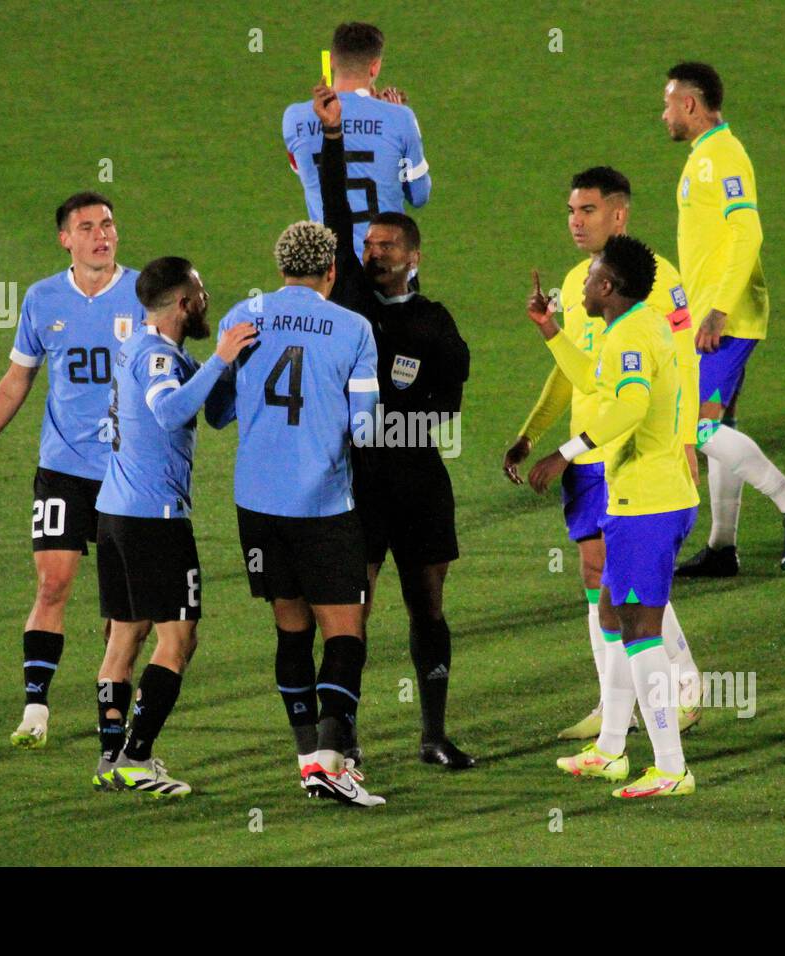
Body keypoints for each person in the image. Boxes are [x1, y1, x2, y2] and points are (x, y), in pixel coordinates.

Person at [504, 167, 701, 743]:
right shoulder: (578, 283)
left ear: (619, 214)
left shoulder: (657, 280)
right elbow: (581, 374)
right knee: (602, 579)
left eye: (587, 210)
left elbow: (683, 365)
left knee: (629, 581)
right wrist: (532, 433)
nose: (575, 221)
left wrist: (687, 440)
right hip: (588, 453)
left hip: (631, 452)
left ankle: (682, 686)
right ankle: (613, 708)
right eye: (570, 210)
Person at [313, 82, 475, 769]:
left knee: (427, 605)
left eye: (385, 245)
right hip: (356, 484)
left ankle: (433, 734)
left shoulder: (435, 323)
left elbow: (449, 407)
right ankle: (341, 737)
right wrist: (333, 138)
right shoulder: (351, 299)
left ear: (412, 255)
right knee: (352, 608)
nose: (373, 253)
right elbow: (333, 210)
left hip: (418, 483)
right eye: (369, 245)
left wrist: (394, 422)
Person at [0, 192, 143, 749]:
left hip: (127, 472)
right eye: (87, 227)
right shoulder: (42, 299)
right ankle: (36, 707)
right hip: (62, 468)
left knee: (122, 603)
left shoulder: (143, 294)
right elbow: (18, 379)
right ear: (65, 239)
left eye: (107, 224)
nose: (101, 235)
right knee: (52, 583)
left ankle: (111, 709)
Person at [216, 220, 385, 807]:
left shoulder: (243, 315)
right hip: (322, 505)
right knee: (345, 634)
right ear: (331, 271)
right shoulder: (354, 328)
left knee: (291, 630)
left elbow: (217, 411)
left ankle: (307, 757)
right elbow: (364, 427)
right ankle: (333, 763)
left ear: (281, 268)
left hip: (257, 503)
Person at [89, 257, 255, 797]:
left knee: (125, 636)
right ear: (183, 302)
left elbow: (214, 413)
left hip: (116, 514)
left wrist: (229, 369)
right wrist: (221, 357)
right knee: (178, 638)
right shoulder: (158, 356)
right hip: (153, 520)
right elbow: (168, 411)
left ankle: (111, 759)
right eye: (200, 292)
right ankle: (137, 757)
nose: (207, 300)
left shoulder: (147, 348)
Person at [661, 61, 785, 575]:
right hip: (711, 315)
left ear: (690, 103)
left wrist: (718, 310)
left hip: (725, 319)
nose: (663, 114)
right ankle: (721, 548)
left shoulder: (723, 157)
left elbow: (748, 233)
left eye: (668, 103)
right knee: (722, 426)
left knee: (697, 428)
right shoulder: (705, 155)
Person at [283, 22, 430, 259]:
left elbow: (307, 171)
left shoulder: (294, 118)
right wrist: (391, 116)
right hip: (384, 267)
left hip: (330, 269)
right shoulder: (400, 117)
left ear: (332, 60)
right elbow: (419, 195)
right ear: (375, 67)